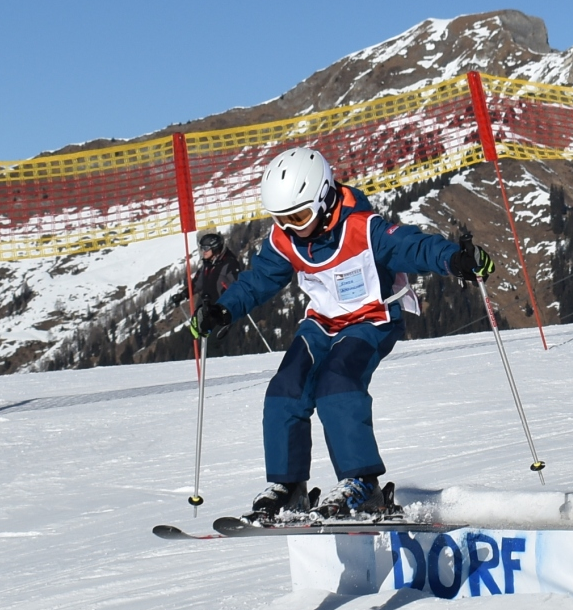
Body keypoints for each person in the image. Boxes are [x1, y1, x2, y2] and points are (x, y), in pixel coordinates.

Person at [187, 147, 494, 520]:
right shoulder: (286, 238)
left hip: (371, 319)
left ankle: (362, 485)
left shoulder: (363, 227)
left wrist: (454, 260)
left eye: (298, 216)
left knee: (337, 384)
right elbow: (260, 279)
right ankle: (289, 487)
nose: (290, 227)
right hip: (321, 322)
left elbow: (412, 246)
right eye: (281, 218)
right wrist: (223, 310)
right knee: (285, 389)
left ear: (323, 198)